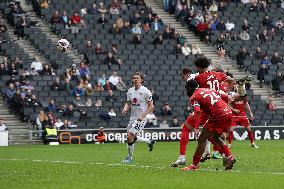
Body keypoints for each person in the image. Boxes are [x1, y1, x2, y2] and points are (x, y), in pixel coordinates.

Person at [181, 80, 236, 171]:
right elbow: (225, 97)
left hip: (218, 114)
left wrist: (197, 127)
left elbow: (197, 110)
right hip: (228, 112)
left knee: (201, 139)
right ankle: (230, 157)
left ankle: (194, 165)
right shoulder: (206, 89)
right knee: (215, 137)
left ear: (189, 89)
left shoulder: (194, 96)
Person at [121, 72, 155, 163]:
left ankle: (129, 158)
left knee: (129, 136)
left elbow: (151, 106)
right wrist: (125, 108)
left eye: (137, 78)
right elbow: (128, 103)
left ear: (141, 80)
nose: (135, 79)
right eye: (134, 78)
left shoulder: (146, 91)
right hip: (132, 118)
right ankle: (149, 141)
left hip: (141, 119)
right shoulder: (130, 91)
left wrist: (142, 115)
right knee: (132, 137)